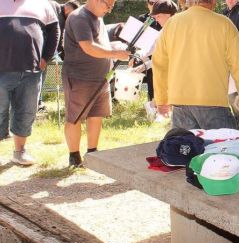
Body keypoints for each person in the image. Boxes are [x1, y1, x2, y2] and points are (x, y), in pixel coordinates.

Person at [152, 0, 239, 130]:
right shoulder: (224, 24)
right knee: (223, 149)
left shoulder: (172, 23)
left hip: (180, 103)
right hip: (214, 102)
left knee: (186, 149)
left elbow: (160, 65)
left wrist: (161, 99)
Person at [62, 0, 130, 167]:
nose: (109, 9)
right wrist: (116, 53)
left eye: (112, 6)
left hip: (101, 78)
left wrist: (118, 49)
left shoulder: (97, 17)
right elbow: (88, 47)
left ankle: (93, 153)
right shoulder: (79, 17)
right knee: (75, 117)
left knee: (96, 115)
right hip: (80, 77)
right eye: (108, 4)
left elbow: (100, 45)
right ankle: (74, 156)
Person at [0, 0, 60, 165]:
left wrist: (46, 57)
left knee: (26, 112)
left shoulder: (43, 4)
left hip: (31, 70)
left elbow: (54, 30)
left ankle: (19, 152)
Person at [136, 0, 178, 120]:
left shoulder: (180, 30)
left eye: (158, 16)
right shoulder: (162, 31)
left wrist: (146, 64)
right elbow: (150, 48)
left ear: (169, 15)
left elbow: (170, 57)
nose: (157, 19)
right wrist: (139, 55)